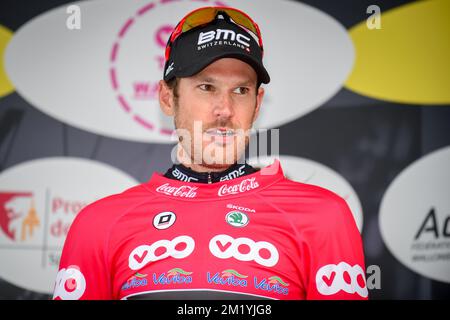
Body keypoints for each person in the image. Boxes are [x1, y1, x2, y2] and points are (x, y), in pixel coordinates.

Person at [53, 6, 367, 300]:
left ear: (257, 104)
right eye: (206, 87)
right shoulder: (98, 225)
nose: (225, 110)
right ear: (166, 97)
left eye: (240, 90)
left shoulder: (324, 217)